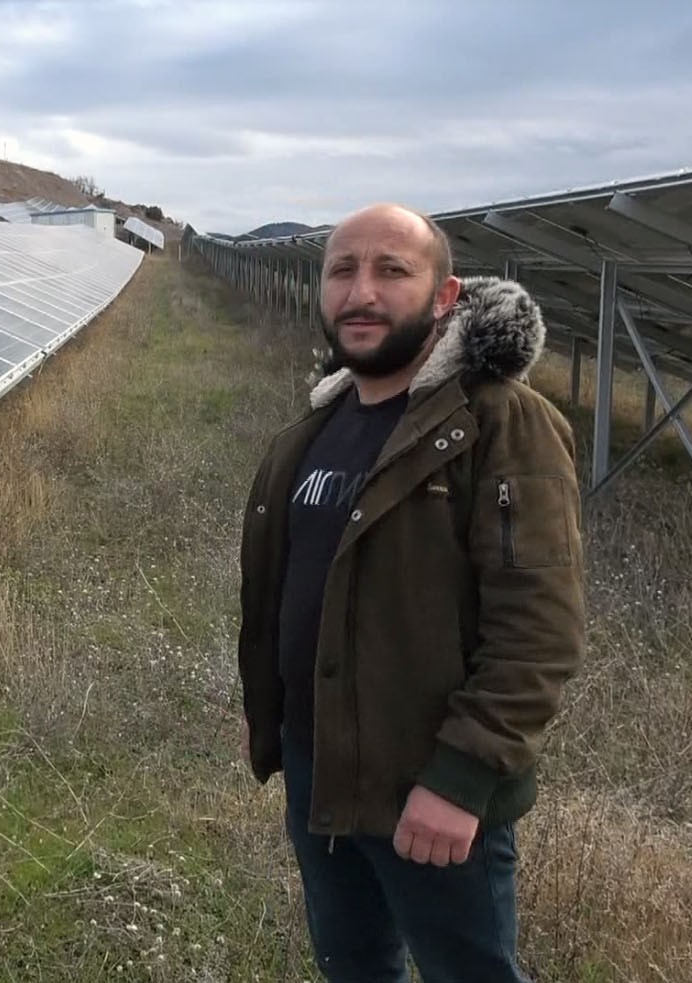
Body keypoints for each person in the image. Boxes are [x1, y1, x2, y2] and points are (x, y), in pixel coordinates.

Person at [235, 204, 586, 982]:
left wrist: (461, 779)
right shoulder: (315, 428)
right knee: (355, 965)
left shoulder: (498, 421)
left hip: (427, 781)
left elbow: (538, 628)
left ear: (444, 295)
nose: (361, 291)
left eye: (391, 270)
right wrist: (274, 717)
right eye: (343, 270)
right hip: (319, 768)